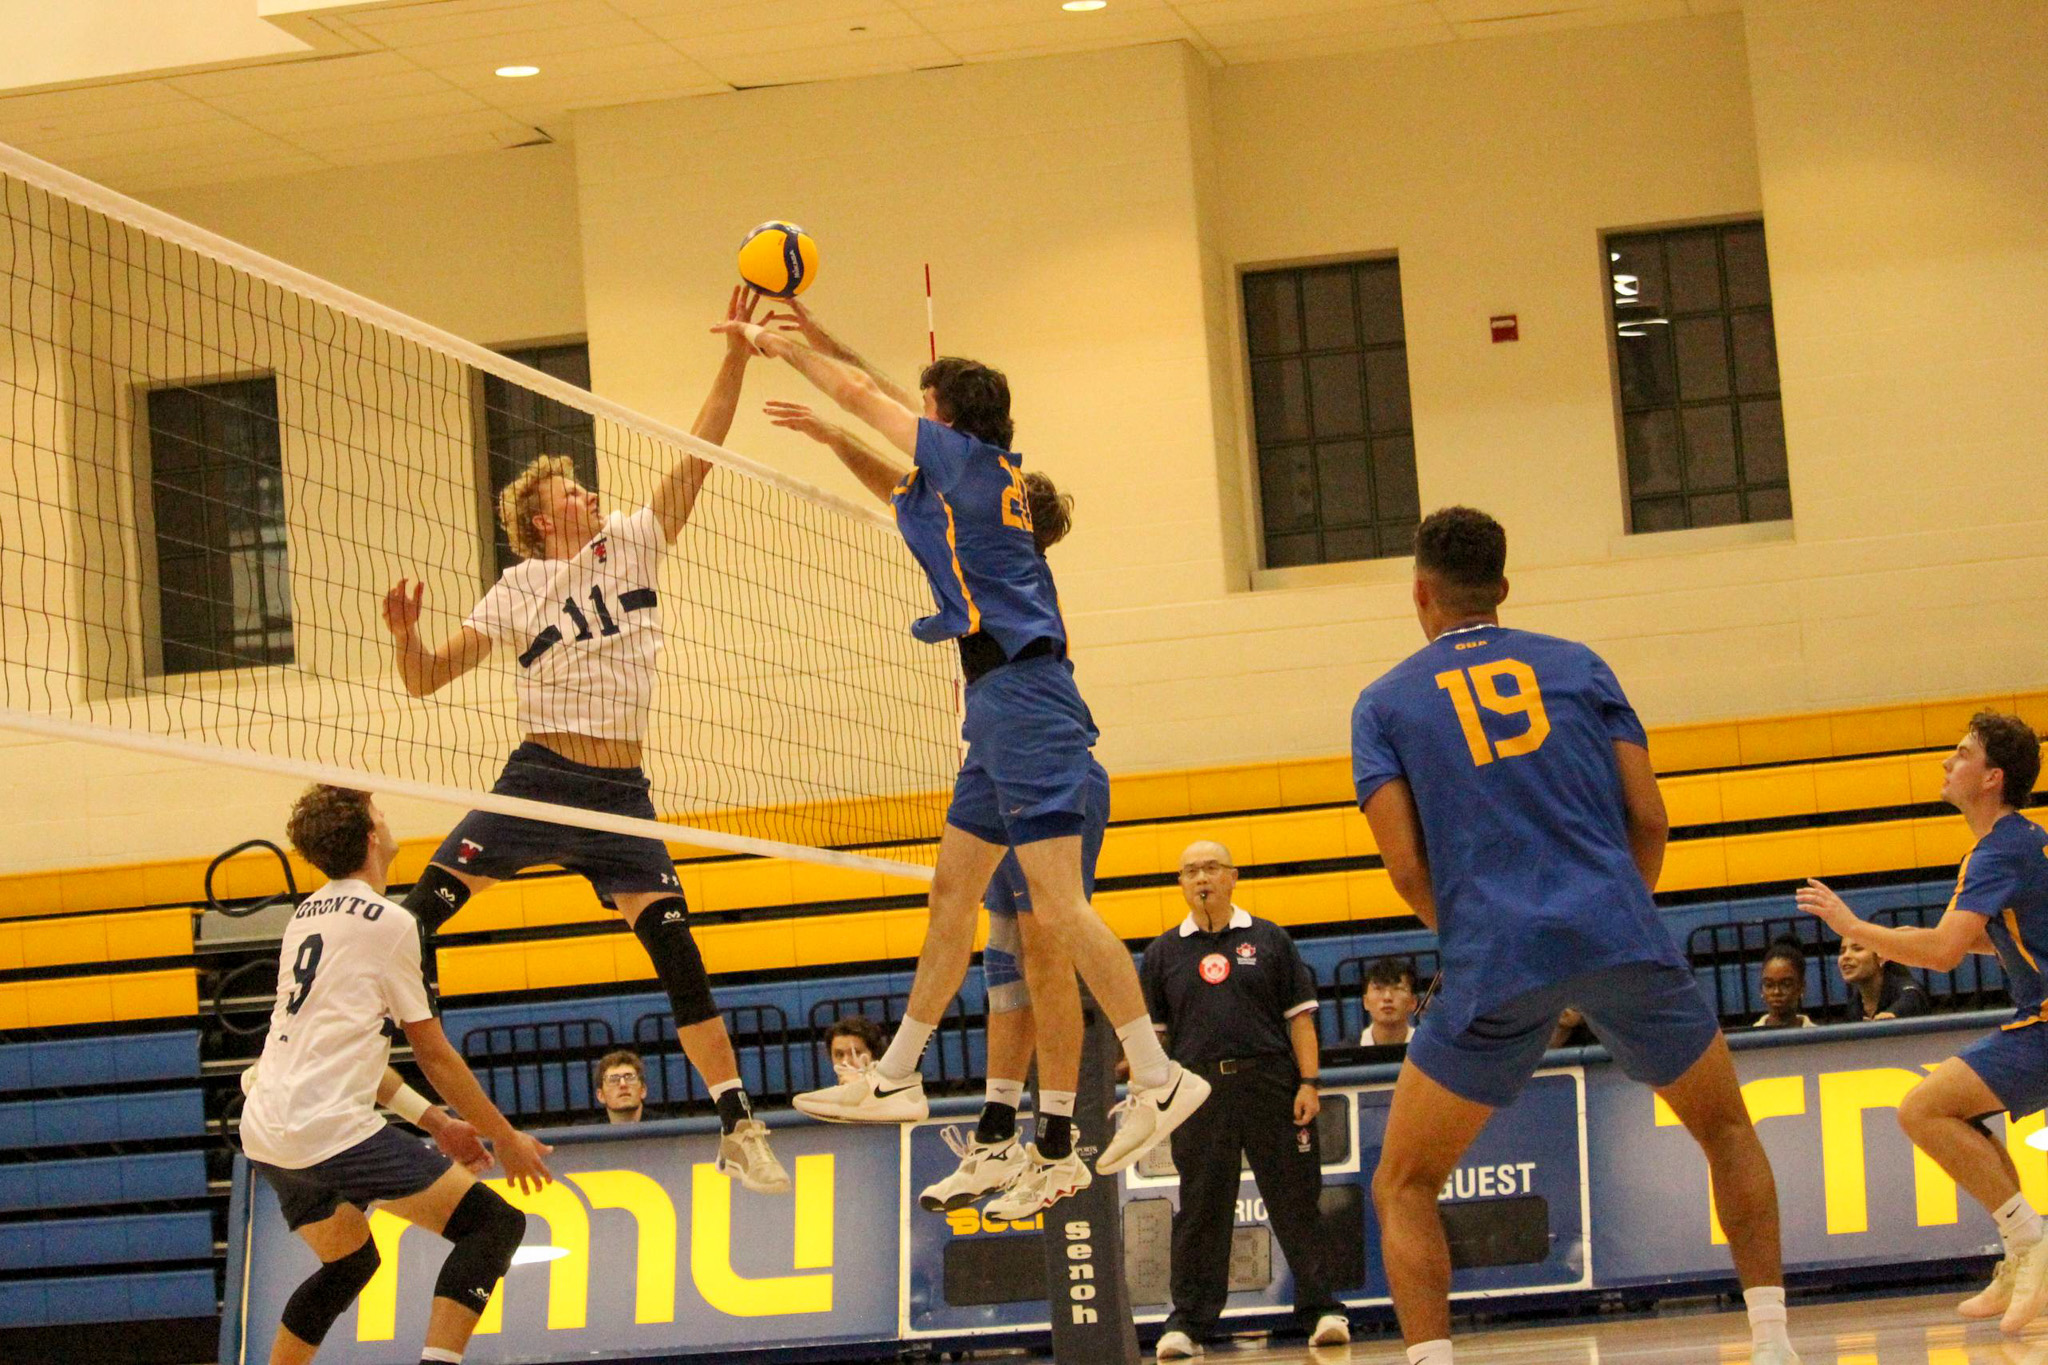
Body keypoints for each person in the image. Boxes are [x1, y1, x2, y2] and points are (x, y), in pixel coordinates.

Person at [726, 299, 1204, 1178]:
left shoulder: (974, 464)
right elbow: (883, 441)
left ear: (944, 416)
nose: (916, 413)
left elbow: (866, 389)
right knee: (952, 889)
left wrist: (780, 348)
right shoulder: (960, 484)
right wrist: (829, 408)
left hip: (1027, 695)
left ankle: (1158, 1073)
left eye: (926, 404)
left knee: (1056, 911)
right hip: (995, 708)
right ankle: (899, 1073)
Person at [1352, 506, 1795, 1365]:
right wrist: (1615, 909)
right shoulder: (1580, 663)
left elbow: (1406, 869)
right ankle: (1774, 1343)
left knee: (1403, 1181)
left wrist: (1484, 932)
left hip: (1496, 953)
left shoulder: (1385, 702)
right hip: (1616, 924)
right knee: (1728, 1130)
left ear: (1419, 593)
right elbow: (1652, 818)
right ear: (1504, 590)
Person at [379, 289, 788, 1195]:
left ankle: (737, 1121)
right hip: (539, 780)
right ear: (539, 518)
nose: (589, 491)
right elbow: (423, 679)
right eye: (572, 488)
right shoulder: (518, 585)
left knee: (678, 951)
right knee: (416, 916)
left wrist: (735, 357)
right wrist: (405, 635)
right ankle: (361, 1053)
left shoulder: (635, 543)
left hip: (620, 795)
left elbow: (701, 452)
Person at [241, 785, 552, 1365]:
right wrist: (503, 1138)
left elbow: (344, 1051)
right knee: (494, 1226)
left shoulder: (306, 915)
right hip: (326, 1129)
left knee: (350, 1263)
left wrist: (434, 1121)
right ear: (369, 837)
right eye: (379, 812)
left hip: (265, 1131)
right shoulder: (390, 922)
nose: (387, 818)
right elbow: (433, 1055)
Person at [1797, 712, 2046, 1331]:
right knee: (1952, 1111)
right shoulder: (2024, 840)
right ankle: (2023, 1255)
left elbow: (1942, 954)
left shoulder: (1997, 852)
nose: (1946, 762)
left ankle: (2034, 1245)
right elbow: (1997, 941)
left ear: (1991, 777)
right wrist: (1906, 935)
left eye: (1961, 754)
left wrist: (1854, 928)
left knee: (1921, 1110)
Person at [1141, 841, 1348, 1359]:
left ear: (1232, 877)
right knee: (1202, 1209)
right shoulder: (1163, 953)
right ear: (1181, 884)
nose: (1201, 878)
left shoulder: (1271, 939)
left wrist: (1309, 1082)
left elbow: (1300, 1020)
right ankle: (1188, 1324)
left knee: (1296, 1201)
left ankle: (1323, 1310)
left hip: (1272, 1086)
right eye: (1190, 871)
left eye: (1210, 868)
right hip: (1198, 1094)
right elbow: (1155, 1039)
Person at [1836, 935, 1930, 1022]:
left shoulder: (1909, 991)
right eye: (1842, 951)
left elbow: (1912, 997)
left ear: (1881, 957)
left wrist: (1892, 1015)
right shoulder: (1853, 1007)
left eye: (1858, 949)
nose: (1846, 956)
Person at [1753, 938, 1816, 1030]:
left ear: (1802, 987)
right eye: (1769, 985)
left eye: (1786, 985)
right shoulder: (1749, 1039)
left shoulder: (1820, 1038)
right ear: (1761, 989)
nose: (1776, 992)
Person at [1360, 958, 1418, 1048]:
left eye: (1398, 988)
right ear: (1365, 1002)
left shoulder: (1431, 1051)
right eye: (1378, 989)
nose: (1387, 997)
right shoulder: (1342, 1053)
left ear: (1413, 1002)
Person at [594, 1051, 648, 1124]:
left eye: (629, 1078)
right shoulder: (583, 1132)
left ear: (643, 1090)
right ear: (600, 1096)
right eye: (613, 1079)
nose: (623, 1084)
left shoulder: (667, 1127)